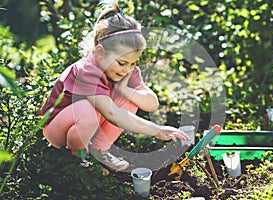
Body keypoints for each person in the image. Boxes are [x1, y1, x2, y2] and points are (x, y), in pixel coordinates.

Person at [37, 0, 189, 172]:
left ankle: (100, 151)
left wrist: (124, 89)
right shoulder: (87, 70)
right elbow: (110, 113)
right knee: (89, 108)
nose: (127, 69)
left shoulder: (125, 70)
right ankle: (78, 159)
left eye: (133, 63)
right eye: (122, 62)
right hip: (57, 131)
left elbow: (151, 103)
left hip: (86, 127)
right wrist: (156, 130)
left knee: (131, 99)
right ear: (100, 52)